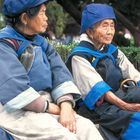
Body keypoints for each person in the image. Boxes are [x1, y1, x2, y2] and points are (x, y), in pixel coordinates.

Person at [0, 1, 103, 140]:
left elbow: (60, 73)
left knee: (87, 127)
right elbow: (13, 88)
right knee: (65, 136)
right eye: (42, 12)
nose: (46, 17)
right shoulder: (5, 43)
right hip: (16, 111)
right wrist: (53, 108)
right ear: (25, 18)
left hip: (50, 104)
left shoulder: (42, 43)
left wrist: (66, 106)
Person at [66, 3, 140, 140]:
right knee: (137, 120)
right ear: (89, 30)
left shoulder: (112, 50)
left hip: (120, 94)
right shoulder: (80, 56)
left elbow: (133, 74)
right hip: (98, 109)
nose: (110, 31)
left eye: (112, 25)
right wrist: (128, 107)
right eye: (104, 25)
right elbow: (99, 90)